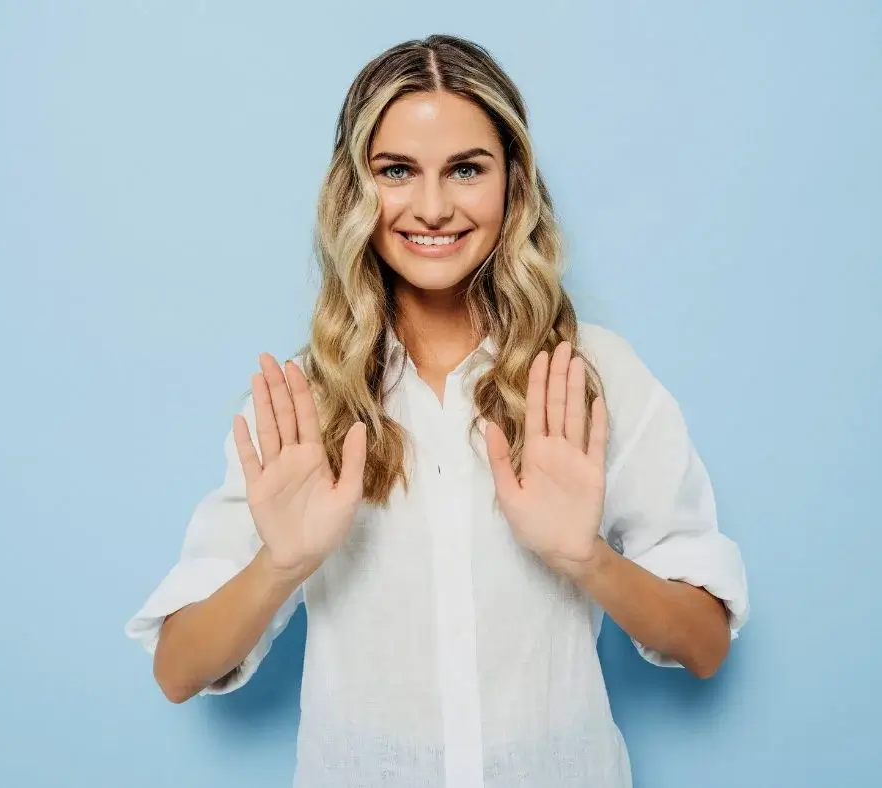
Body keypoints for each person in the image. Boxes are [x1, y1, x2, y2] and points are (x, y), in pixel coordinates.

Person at [125, 34, 749, 788]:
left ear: (512, 184)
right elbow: (179, 669)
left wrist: (587, 559)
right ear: (355, 189)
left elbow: (706, 645)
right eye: (396, 171)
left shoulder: (593, 374)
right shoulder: (306, 398)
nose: (432, 207)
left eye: (466, 169)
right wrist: (280, 563)